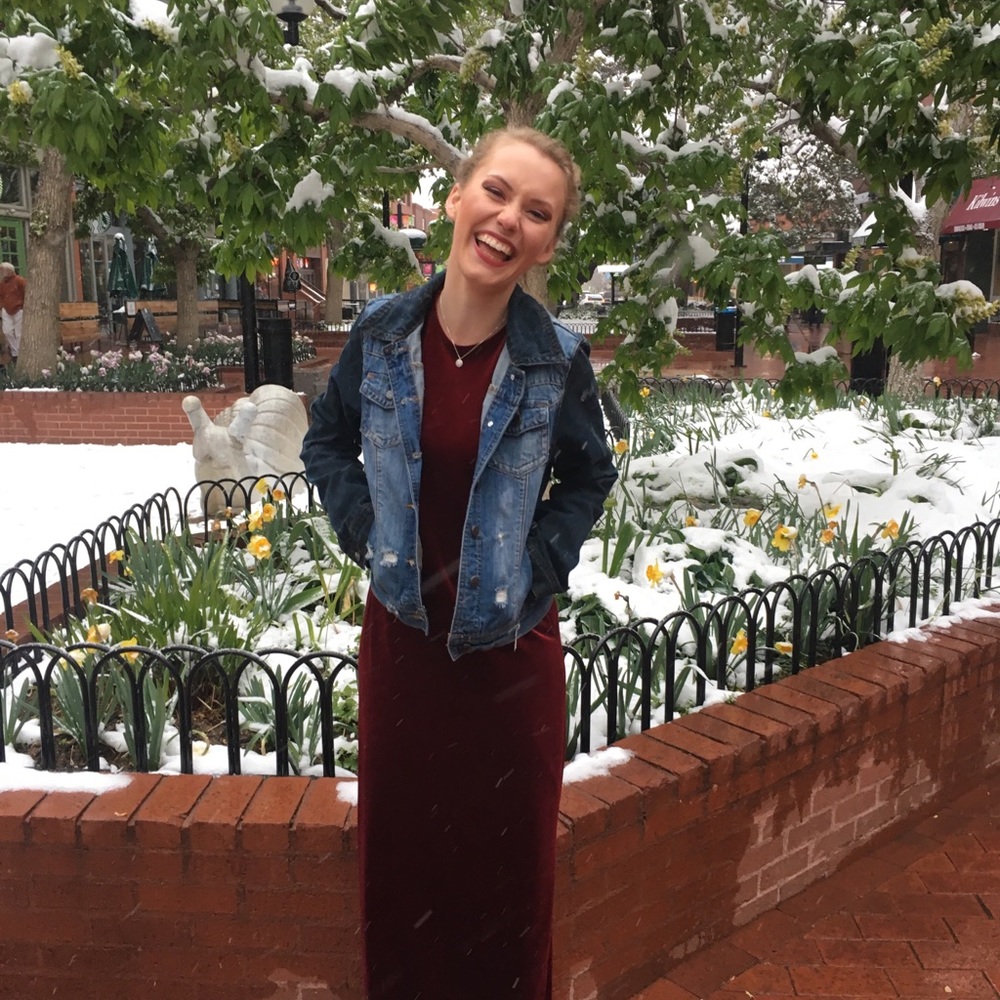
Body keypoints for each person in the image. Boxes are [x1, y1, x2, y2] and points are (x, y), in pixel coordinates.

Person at [301, 126, 617, 1000]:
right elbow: (325, 442)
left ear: (548, 242)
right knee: (401, 890)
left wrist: (541, 565)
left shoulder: (556, 361)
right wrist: (366, 531)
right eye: (498, 192)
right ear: (456, 197)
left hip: (509, 664)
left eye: (537, 211)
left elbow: (591, 473)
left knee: (508, 897)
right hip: (404, 656)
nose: (509, 218)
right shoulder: (381, 334)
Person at [0, 261, 26, 366]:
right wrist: (1, 308)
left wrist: (22, 306)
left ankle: (17, 354)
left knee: (19, 333)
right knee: (7, 331)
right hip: (6, 310)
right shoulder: (2, 284)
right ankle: (15, 352)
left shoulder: (20, 281)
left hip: (18, 309)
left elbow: (26, 293)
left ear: (9, 271)